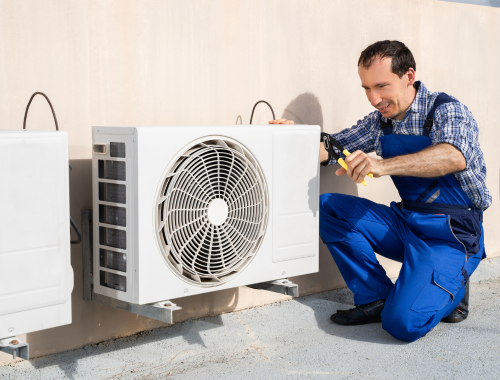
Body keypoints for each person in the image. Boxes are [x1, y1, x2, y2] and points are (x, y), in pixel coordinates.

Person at [269, 40, 491, 342]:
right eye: (366, 88)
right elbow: (333, 147)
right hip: (407, 223)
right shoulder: (381, 122)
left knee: (402, 324)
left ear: (409, 76)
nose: (374, 99)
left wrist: (383, 166)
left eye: (382, 86)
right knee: (327, 207)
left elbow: (453, 155)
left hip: (451, 234)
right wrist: (290, 139)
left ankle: (453, 286)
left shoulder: (447, 110)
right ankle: (375, 296)